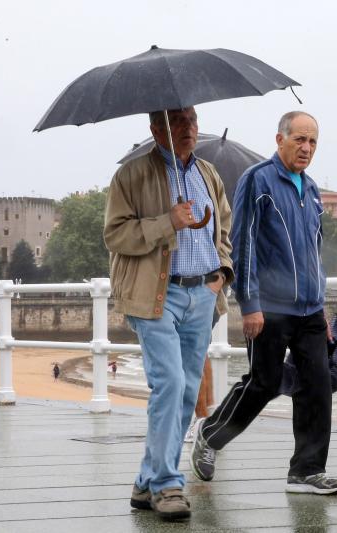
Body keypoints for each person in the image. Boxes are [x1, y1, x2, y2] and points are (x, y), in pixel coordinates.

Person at [191, 111, 337, 495]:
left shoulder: (311, 190)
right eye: (299, 139)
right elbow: (241, 244)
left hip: (309, 309)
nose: (306, 148)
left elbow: (314, 250)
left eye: (312, 141)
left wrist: (323, 308)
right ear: (280, 140)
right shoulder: (257, 180)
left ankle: (306, 471)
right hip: (270, 308)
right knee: (265, 382)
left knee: (318, 385)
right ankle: (210, 436)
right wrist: (250, 304)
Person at [104, 106, 233, 521]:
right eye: (179, 121)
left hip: (202, 294)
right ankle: (166, 484)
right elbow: (115, 234)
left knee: (186, 391)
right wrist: (167, 222)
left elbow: (224, 229)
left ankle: (146, 480)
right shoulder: (131, 176)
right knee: (170, 384)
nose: (190, 128)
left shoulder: (208, 174)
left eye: (193, 120)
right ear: (156, 128)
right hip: (155, 296)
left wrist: (221, 275)